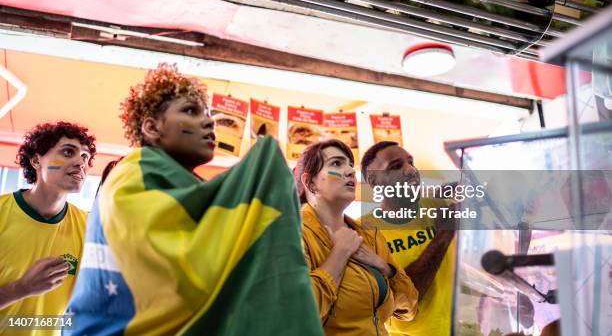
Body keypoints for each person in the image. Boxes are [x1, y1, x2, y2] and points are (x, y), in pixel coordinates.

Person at [65, 64, 323, 336]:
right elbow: (174, 256)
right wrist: (262, 170)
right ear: (152, 127)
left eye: (209, 113)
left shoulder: (174, 183)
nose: (210, 121)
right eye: (191, 111)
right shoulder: (137, 170)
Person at [294, 139, 419, 336]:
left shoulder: (369, 234)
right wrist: (340, 253)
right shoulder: (293, 233)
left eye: (350, 165)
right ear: (310, 182)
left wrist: (383, 266)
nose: (351, 171)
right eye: (336, 163)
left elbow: (409, 309)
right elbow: (297, 314)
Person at [0, 122, 96, 332]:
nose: (81, 163)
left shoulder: (90, 227)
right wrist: (22, 288)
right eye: (68, 152)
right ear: (36, 160)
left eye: (86, 157)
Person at [360, 141, 456, 336]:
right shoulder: (363, 233)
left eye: (411, 162)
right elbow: (402, 298)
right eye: (396, 166)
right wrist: (444, 235)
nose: (410, 170)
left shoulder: (440, 206)